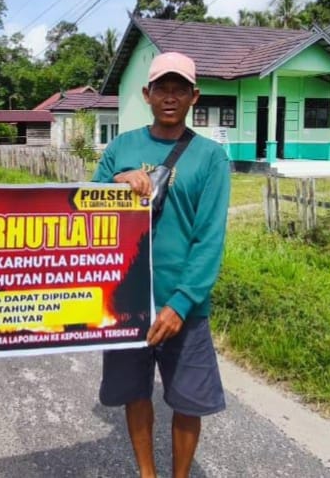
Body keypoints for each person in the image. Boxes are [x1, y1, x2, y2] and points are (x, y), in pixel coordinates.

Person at [93, 51, 230, 478]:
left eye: (180, 89)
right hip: (127, 301)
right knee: (136, 394)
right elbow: (84, 213)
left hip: (182, 307)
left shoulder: (210, 157)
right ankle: (147, 474)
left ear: (195, 96)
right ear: (146, 94)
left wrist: (182, 302)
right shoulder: (121, 148)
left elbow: (208, 239)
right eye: (162, 89)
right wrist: (116, 184)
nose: (170, 97)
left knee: (189, 402)